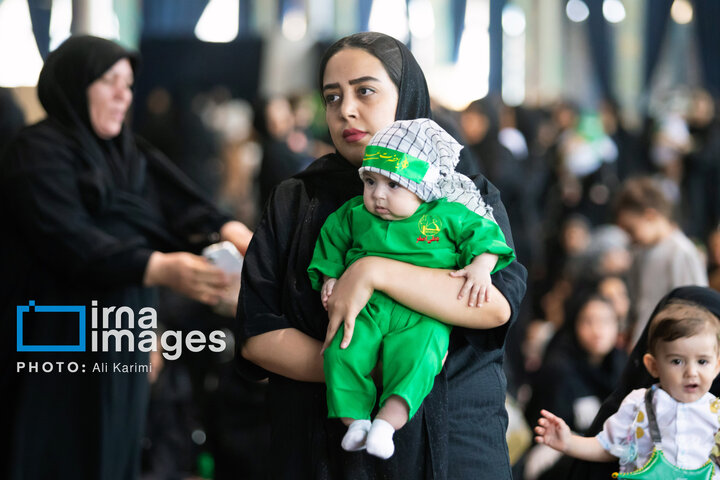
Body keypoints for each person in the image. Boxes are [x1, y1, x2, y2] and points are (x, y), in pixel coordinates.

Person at [237, 31, 527, 479]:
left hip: (453, 441)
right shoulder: (296, 200)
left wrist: (373, 271)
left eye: (365, 91)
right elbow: (257, 335)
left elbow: (493, 306)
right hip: (324, 447)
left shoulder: (462, 194)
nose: (346, 110)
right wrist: (361, 365)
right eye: (332, 97)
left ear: (406, 96)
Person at [0, 36, 252, 480]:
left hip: (124, 328)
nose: (124, 95)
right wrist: (158, 268)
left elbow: (182, 205)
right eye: (109, 81)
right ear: (73, 84)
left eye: (129, 84)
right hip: (57, 330)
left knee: (116, 443)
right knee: (57, 444)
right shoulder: (35, 151)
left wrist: (231, 232)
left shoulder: (127, 154)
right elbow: (67, 237)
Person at [308, 118, 515, 459]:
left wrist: (481, 266)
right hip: (367, 307)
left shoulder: (446, 214)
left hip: (424, 313)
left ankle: (387, 424)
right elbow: (331, 244)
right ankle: (355, 421)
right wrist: (330, 279)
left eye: (394, 184)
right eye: (370, 181)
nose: (378, 194)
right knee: (342, 346)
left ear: (423, 187)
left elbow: (485, 234)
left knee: (419, 357)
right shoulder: (353, 214)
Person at [534, 292, 720, 477]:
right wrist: (569, 442)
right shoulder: (640, 404)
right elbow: (607, 446)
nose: (691, 372)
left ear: (717, 366)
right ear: (653, 366)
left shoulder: (716, 413)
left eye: (702, 361)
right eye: (677, 361)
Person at [616, 176, 708, 348]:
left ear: (650, 216)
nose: (630, 238)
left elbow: (695, 311)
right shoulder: (640, 252)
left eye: (631, 229)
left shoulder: (681, 252)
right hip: (644, 346)